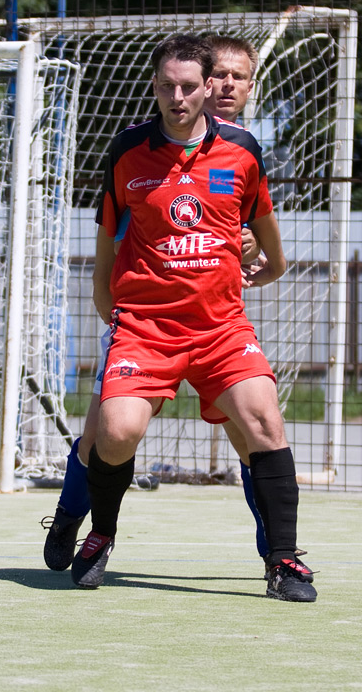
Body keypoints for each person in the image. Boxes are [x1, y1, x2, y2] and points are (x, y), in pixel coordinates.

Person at [68, 33, 316, 602]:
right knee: (110, 433)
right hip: (145, 325)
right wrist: (110, 308)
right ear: (155, 87)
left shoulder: (242, 151)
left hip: (220, 328)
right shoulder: (128, 151)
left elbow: (262, 227)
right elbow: (108, 238)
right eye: (167, 87)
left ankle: (283, 559)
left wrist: (267, 264)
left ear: (207, 89)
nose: (178, 97)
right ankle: (95, 532)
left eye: (189, 86)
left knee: (263, 426)